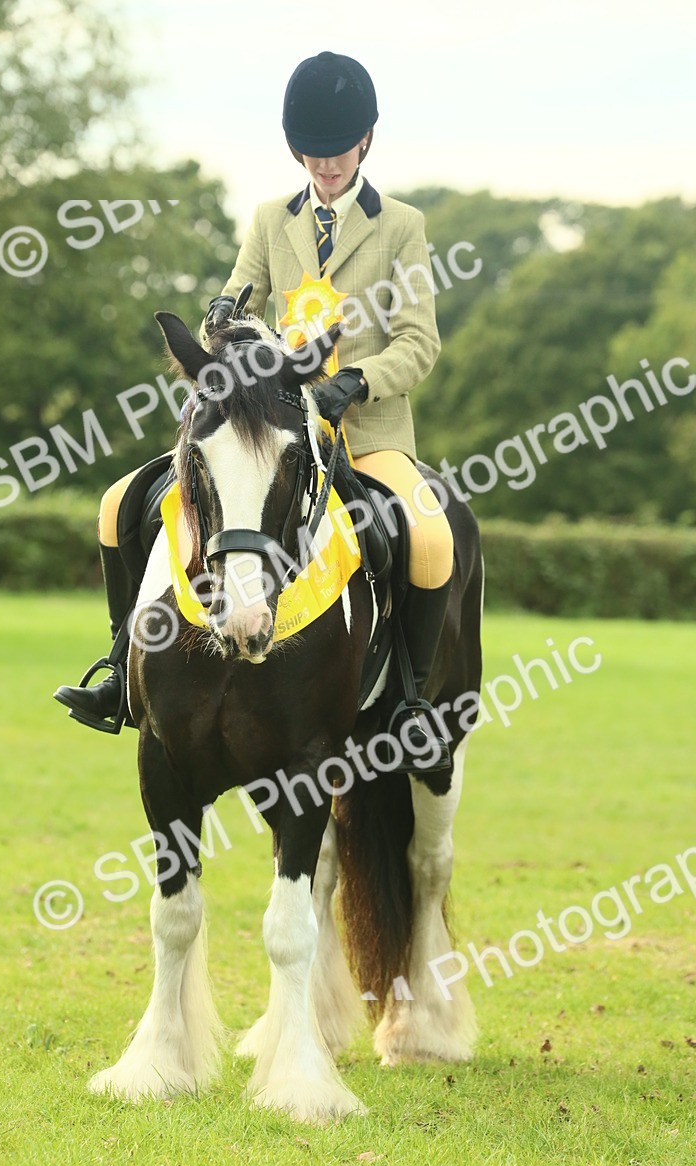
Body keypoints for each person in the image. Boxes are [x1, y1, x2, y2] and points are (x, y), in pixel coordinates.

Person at [54, 50, 455, 771]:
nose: (325, 165)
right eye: (312, 152)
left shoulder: (401, 226)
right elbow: (239, 295)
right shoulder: (273, 218)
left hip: (363, 435)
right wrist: (221, 311)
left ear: (365, 142)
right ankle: (119, 672)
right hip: (268, 435)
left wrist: (354, 383)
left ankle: (412, 702)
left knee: (429, 541)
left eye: (337, 152)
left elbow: (419, 342)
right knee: (119, 505)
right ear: (293, 147)